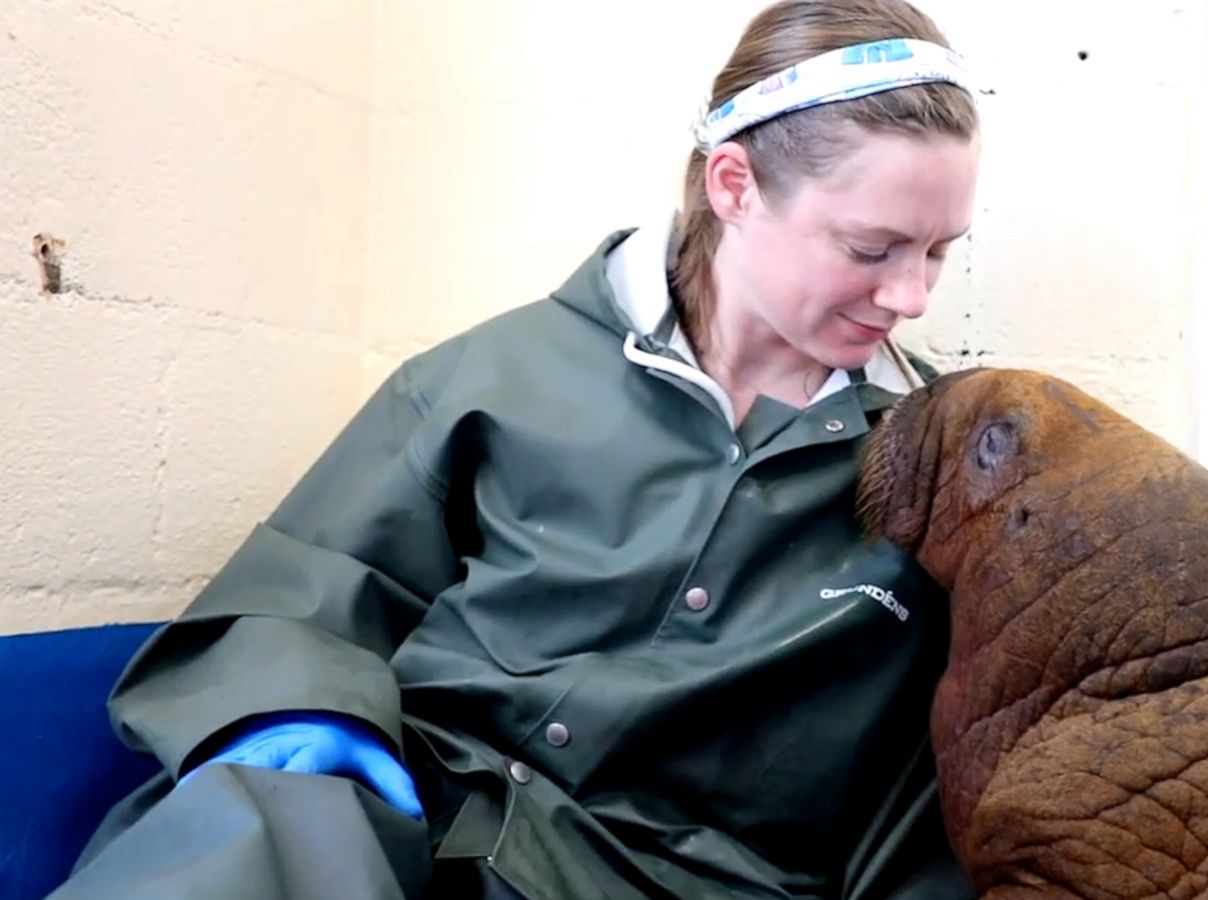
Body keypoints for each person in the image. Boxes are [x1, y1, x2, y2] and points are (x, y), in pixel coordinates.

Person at [52, 1, 982, 897]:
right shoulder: (487, 379)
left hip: (681, 881)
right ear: (732, 185)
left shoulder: (943, 464)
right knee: (259, 825)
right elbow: (305, 595)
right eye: (872, 248)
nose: (910, 296)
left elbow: (932, 790)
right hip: (403, 820)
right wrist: (308, 716)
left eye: (938, 252)